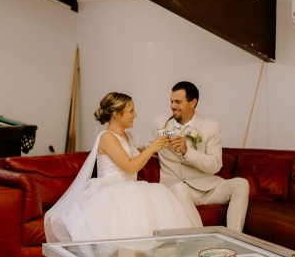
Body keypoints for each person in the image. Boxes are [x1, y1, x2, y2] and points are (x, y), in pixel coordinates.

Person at [44, 92, 202, 243]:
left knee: (160, 194)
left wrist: (161, 145)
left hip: (130, 187)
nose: (136, 115)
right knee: (151, 197)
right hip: (111, 190)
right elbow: (130, 167)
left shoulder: (128, 136)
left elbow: (135, 155)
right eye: (131, 111)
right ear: (116, 114)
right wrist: (152, 147)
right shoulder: (106, 137)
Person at [153, 80, 249, 232]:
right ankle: (202, 239)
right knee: (179, 188)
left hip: (207, 188)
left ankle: (234, 237)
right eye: (171, 101)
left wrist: (187, 151)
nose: (172, 106)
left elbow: (215, 165)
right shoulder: (160, 123)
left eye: (178, 102)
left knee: (241, 184)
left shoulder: (211, 127)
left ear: (193, 102)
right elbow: (150, 146)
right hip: (176, 188)